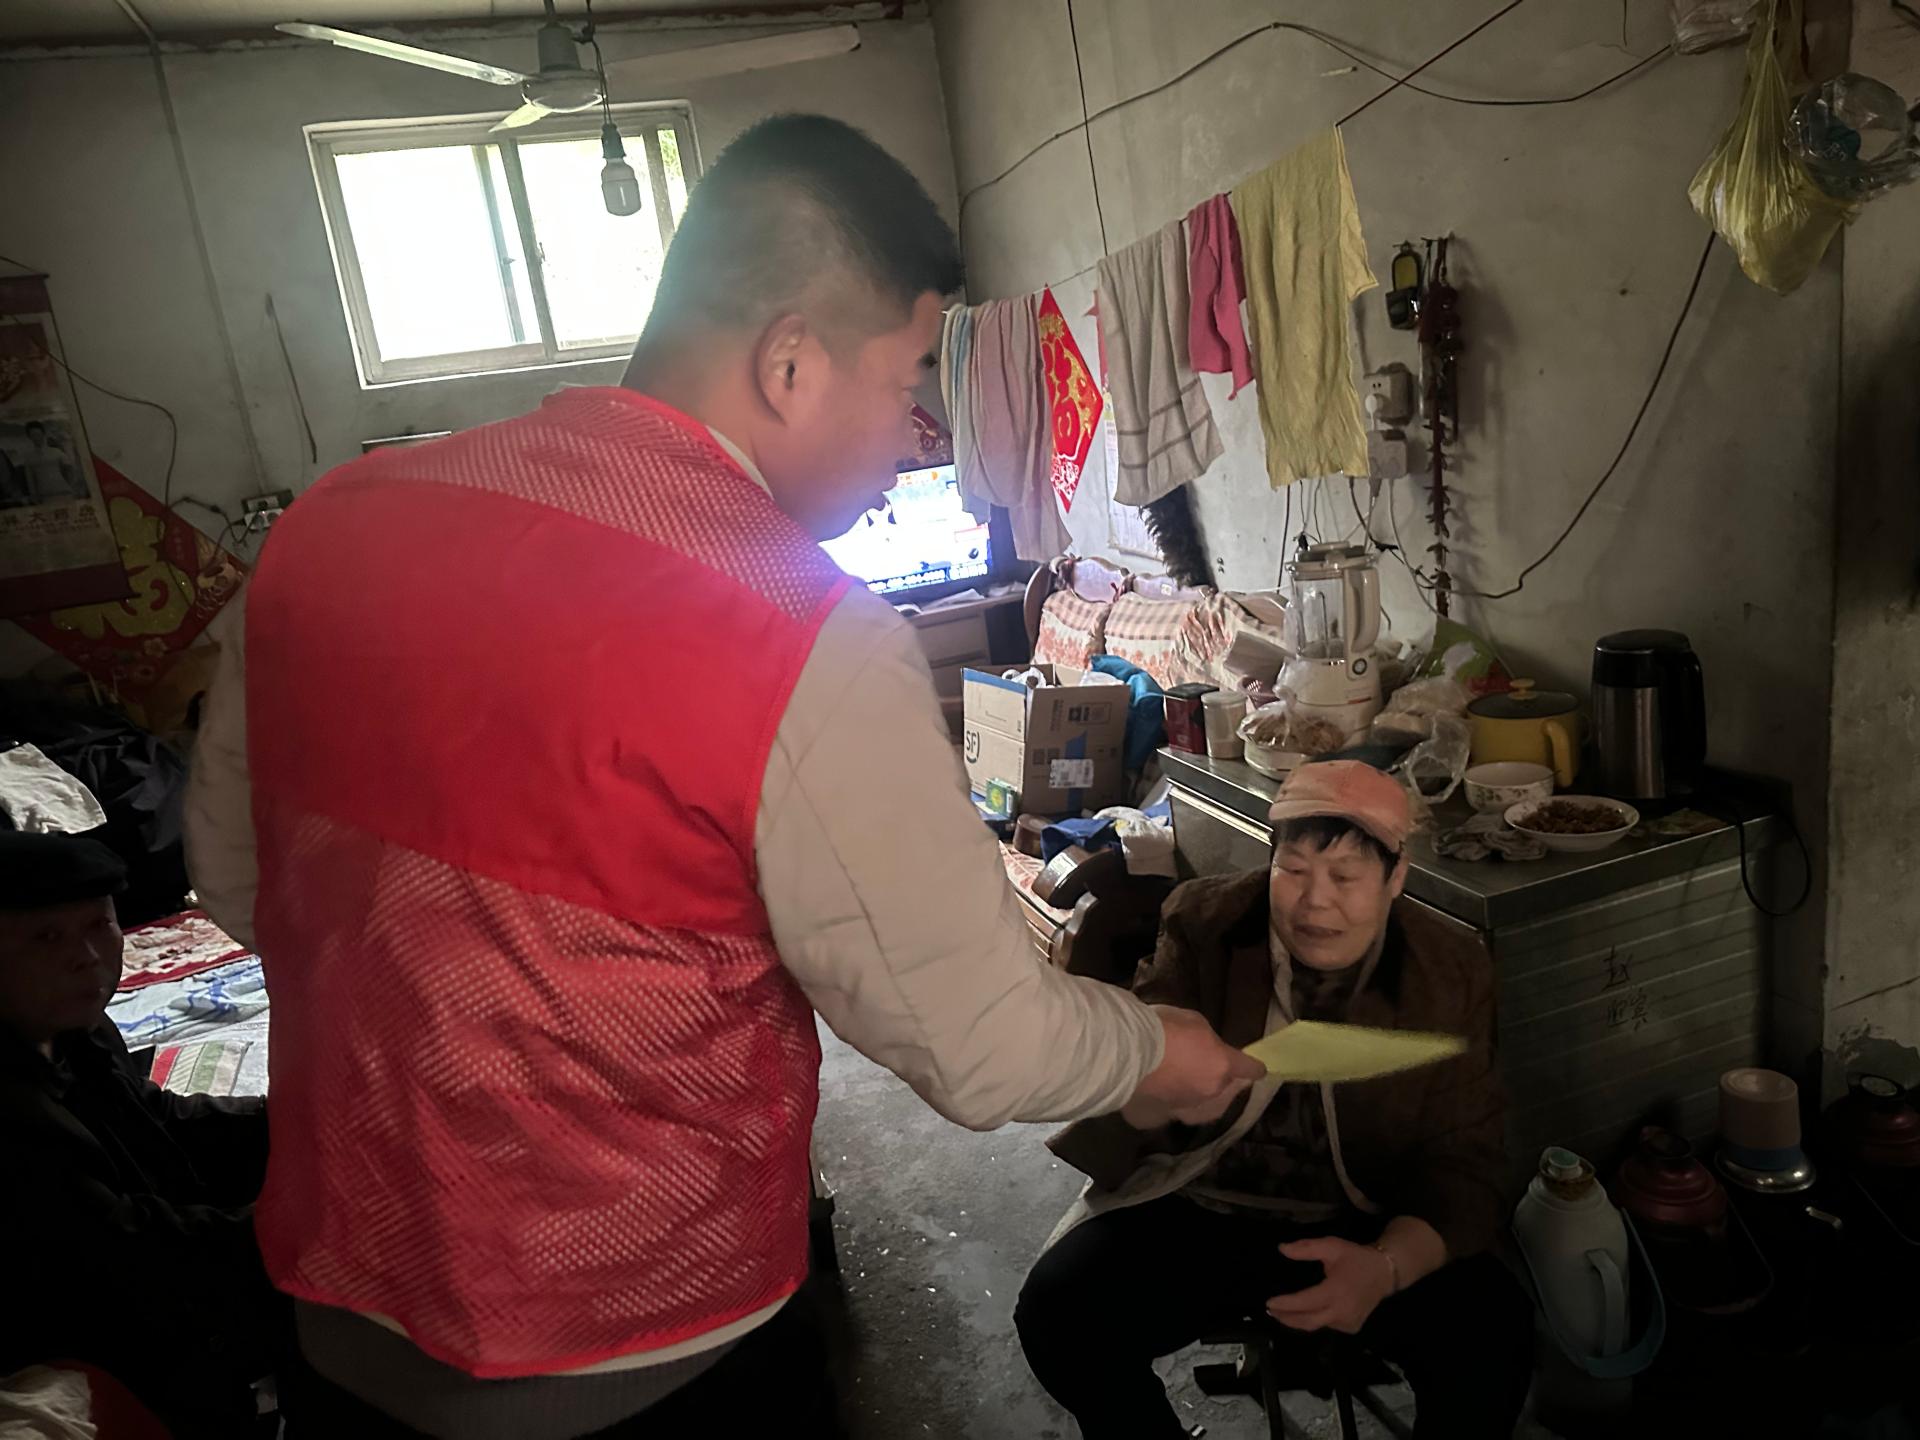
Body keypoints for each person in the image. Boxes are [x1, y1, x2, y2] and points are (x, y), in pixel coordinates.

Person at [183, 113, 1261, 1438]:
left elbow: (236, 882)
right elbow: (980, 1048)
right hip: (651, 1353)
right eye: (907, 378)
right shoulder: (795, 631)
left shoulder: (324, 530)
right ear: (789, 363)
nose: (917, 432)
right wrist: (1156, 1051)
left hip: (339, 1329)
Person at [1017, 761, 1535, 1439]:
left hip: (1369, 1215)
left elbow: (1470, 1161)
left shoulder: (1449, 968)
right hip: (1207, 1205)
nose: (1314, 901)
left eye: (1345, 877)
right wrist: (1155, 1091)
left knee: (1494, 1336)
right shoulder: (1205, 923)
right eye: (1293, 870)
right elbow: (1136, 1077)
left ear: (1396, 878)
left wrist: (1385, 1268)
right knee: (1060, 1314)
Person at [0, 830, 280, 1437]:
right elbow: (123, 1246)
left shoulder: (70, 1023)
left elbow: (156, 1121)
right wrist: (299, 1225)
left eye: (98, 926)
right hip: (70, 1319)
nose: (87, 956)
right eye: (46, 937)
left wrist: (288, 1124)